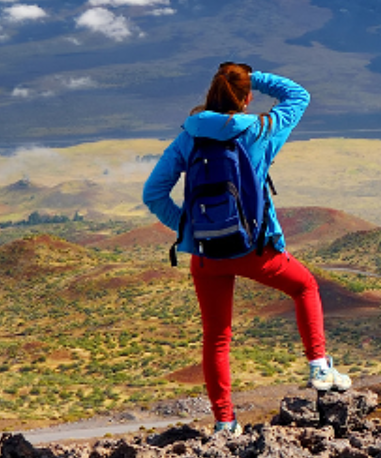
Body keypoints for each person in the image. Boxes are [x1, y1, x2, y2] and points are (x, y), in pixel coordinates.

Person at [142, 62, 349, 434]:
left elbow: (153, 193)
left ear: (212, 91)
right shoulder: (261, 130)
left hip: (207, 257)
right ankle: (319, 366)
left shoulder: (188, 136)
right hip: (253, 249)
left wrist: (191, 232)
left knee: (217, 338)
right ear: (247, 96)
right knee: (304, 287)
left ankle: (225, 422)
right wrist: (253, 78)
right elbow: (298, 95)